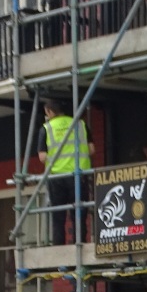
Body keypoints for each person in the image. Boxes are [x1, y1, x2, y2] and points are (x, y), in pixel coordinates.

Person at [37, 98, 94, 245]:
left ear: (49, 111)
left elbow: (42, 157)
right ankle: (80, 244)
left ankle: (59, 248)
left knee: (58, 216)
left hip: (57, 176)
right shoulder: (80, 124)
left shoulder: (46, 128)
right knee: (79, 214)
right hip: (79, 175)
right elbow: (92, 149)